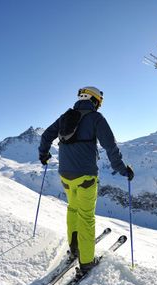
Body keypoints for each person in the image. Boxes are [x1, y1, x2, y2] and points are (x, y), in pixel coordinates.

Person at [38, 86, 134, 274]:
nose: (99, 106)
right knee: (86, 217)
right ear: (94, 100)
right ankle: (87, 261)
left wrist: (44, 154)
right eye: (99, 102)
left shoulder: (66, 116)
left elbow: (46, 136)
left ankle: (74, 249)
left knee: (73, 210)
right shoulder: (96, 118)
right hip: (86, 177)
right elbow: (110, 146)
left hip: (65, 176)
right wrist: (122, 169)